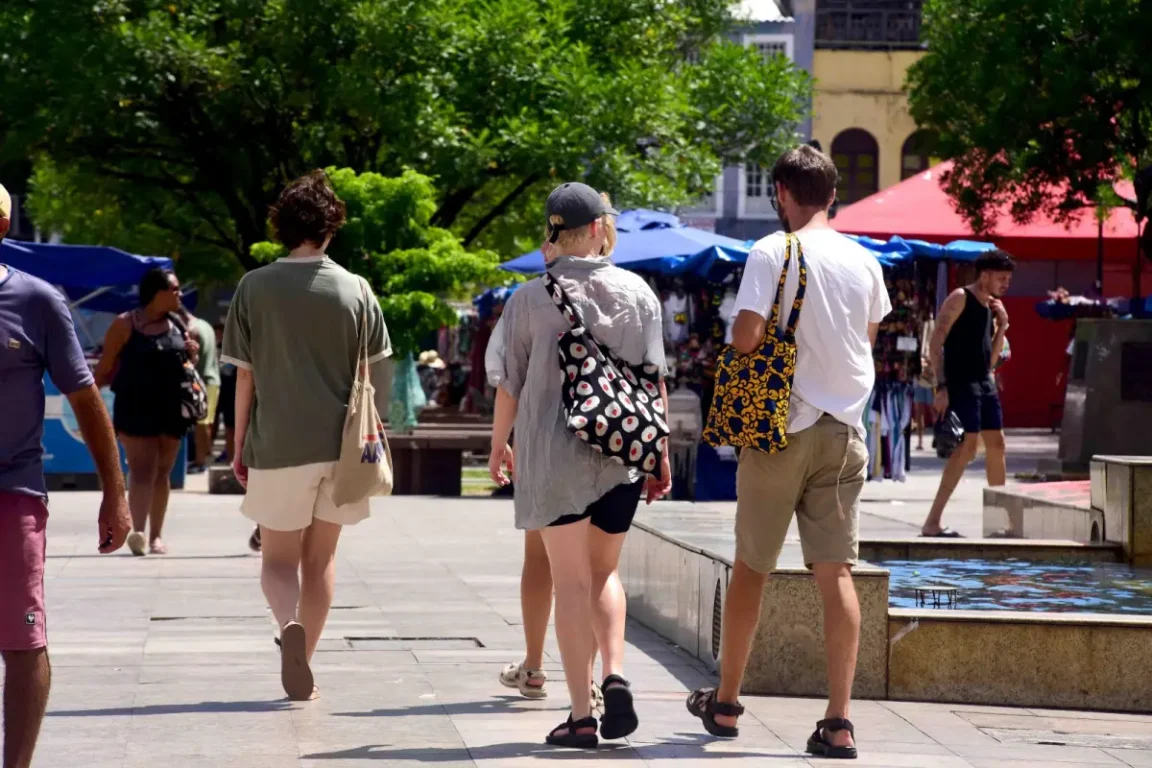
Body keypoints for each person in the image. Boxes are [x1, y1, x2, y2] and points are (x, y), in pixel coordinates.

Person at [686, 146, 889, 760]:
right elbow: (867, 336)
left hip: (781, 427)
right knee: (837, 573)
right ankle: (839, 721)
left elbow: (747, 337)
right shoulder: (864, 260)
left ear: (780, 193)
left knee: (753, 566)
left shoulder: (772, 250)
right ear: (832, 195)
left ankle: (725, 703)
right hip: (844, 430)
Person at [488, 182, 671, 749]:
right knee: (604, 575)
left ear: (552, 232)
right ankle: (613, 673)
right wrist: (659, 454)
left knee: (569, 582)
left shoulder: (528, 298)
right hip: (621, 454)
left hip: (553, 456)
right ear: (598, 229)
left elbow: (508, 385)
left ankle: (580, 714)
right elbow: (653, 379)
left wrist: (498, 446)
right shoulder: (639, 293)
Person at [223, 171, 391, 701]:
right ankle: (306, 663)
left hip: (277, 444)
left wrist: (238, 442)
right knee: (321, 561)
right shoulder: (356, 290)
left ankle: (286, 623)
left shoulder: (254, 287)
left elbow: (244, 376)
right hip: (341, 450)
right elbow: (374, 376)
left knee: (276, 560)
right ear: (331, 227)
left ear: (281, 227)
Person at [0, 182, 131, 768]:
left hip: (12, 494)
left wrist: (115, 494)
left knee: (22, 642)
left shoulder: (36, 301)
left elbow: (85, 399)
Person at [95, 268, 199, 556]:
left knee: (163, 473)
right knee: (142, 470)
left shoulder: (178, 323)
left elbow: (189, 365)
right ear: (157, 292)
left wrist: (193, 352)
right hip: (135, 405)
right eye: (174, 289)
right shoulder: (125, 324)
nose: (179, 294)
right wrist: (90, 400)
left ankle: (156, 537)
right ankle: (138, 532)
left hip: (172, 408)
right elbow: (105, 366)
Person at [920, 250, 1015, 537]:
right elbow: (937, 340)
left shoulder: (991, 307)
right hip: (960, 382)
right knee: (967, 447)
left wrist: (1003, 326)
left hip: (984, 381)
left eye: (1008, 280)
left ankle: (1000, 521)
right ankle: (932, 521)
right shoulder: (960, 297)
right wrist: (941, 386)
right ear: (984, 275)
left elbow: (991, 359)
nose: (1005, 284)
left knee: (997, 444)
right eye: (1001, 278)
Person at [184, 309, 221, 475]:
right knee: (205, 422)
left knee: (202, 423)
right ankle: (205, 459)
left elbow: (192, 357)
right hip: (213, 379)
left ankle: (201, 462)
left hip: (203, 381)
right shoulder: (206, 325)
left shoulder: (193, 330)